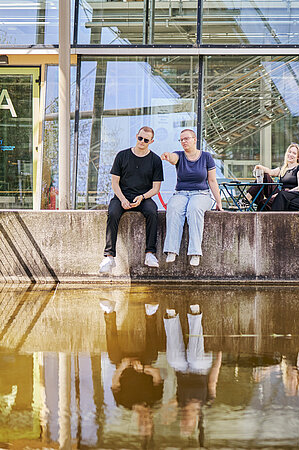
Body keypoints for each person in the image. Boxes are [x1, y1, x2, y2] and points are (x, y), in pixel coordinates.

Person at [100, 126, 164, 274]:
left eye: (146, 140)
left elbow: (156, 189)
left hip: (143, 197)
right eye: (140, 138)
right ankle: (109, 257)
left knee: (152, 212)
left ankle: (150, 254)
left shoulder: (155, 160)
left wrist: (142, 197)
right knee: (113, 212)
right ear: (136, 136)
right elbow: (115, 183)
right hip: (122, 195)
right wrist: (122, 199)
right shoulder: (122, 156)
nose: (142, 141)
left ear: (151, 141)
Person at [100, 299, 163, 445]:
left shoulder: (124, 403)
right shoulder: (155, 399)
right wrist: (144, 368)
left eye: (142, 424)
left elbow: (114, 383)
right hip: (143, 365)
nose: (144, 420)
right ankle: (150, 314)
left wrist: (123, 365)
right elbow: (157, 375)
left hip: (125, 366)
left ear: (137, 424)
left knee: (113, 357)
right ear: (151, 419)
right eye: (148, 423)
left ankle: (109, 313)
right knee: (152, 356)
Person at [161, 129, 223, 267]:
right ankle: (172, 250)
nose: (184, 141)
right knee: (174, 207)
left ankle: (195, 253)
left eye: (186, 139)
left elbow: (212, 181)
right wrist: (168, 156)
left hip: (201, 194)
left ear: (195, 139)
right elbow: (173, 158)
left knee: (194, 209)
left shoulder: (206, 157)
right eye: (181, 139)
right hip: (181, 193)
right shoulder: (179, 155)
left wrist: (219, 202)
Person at [163, 304, 222, 444]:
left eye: (182, 423)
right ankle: (195, 315)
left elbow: (166, 406)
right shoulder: (206, 402)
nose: (184, 421)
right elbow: (212, 381)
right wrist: (219, 359)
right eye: (187, 424)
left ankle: (172, 316)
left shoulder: (180, 403)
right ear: (194, 421)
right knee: (195, 359)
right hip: (200, 368)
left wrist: (166, 412)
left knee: (174, 360)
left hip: (182, 370)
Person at [245, 143, 299, 210]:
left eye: (294, 153)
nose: (291, 154)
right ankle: (245, 200)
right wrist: (260, 167)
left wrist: (280, 194)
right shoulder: (283, 169)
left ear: (298, 156)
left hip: (289, 196)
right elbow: (270, 171)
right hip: (280, 194)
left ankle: (249, 204)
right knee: (265, 176)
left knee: (263, 203)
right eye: (289, 152)